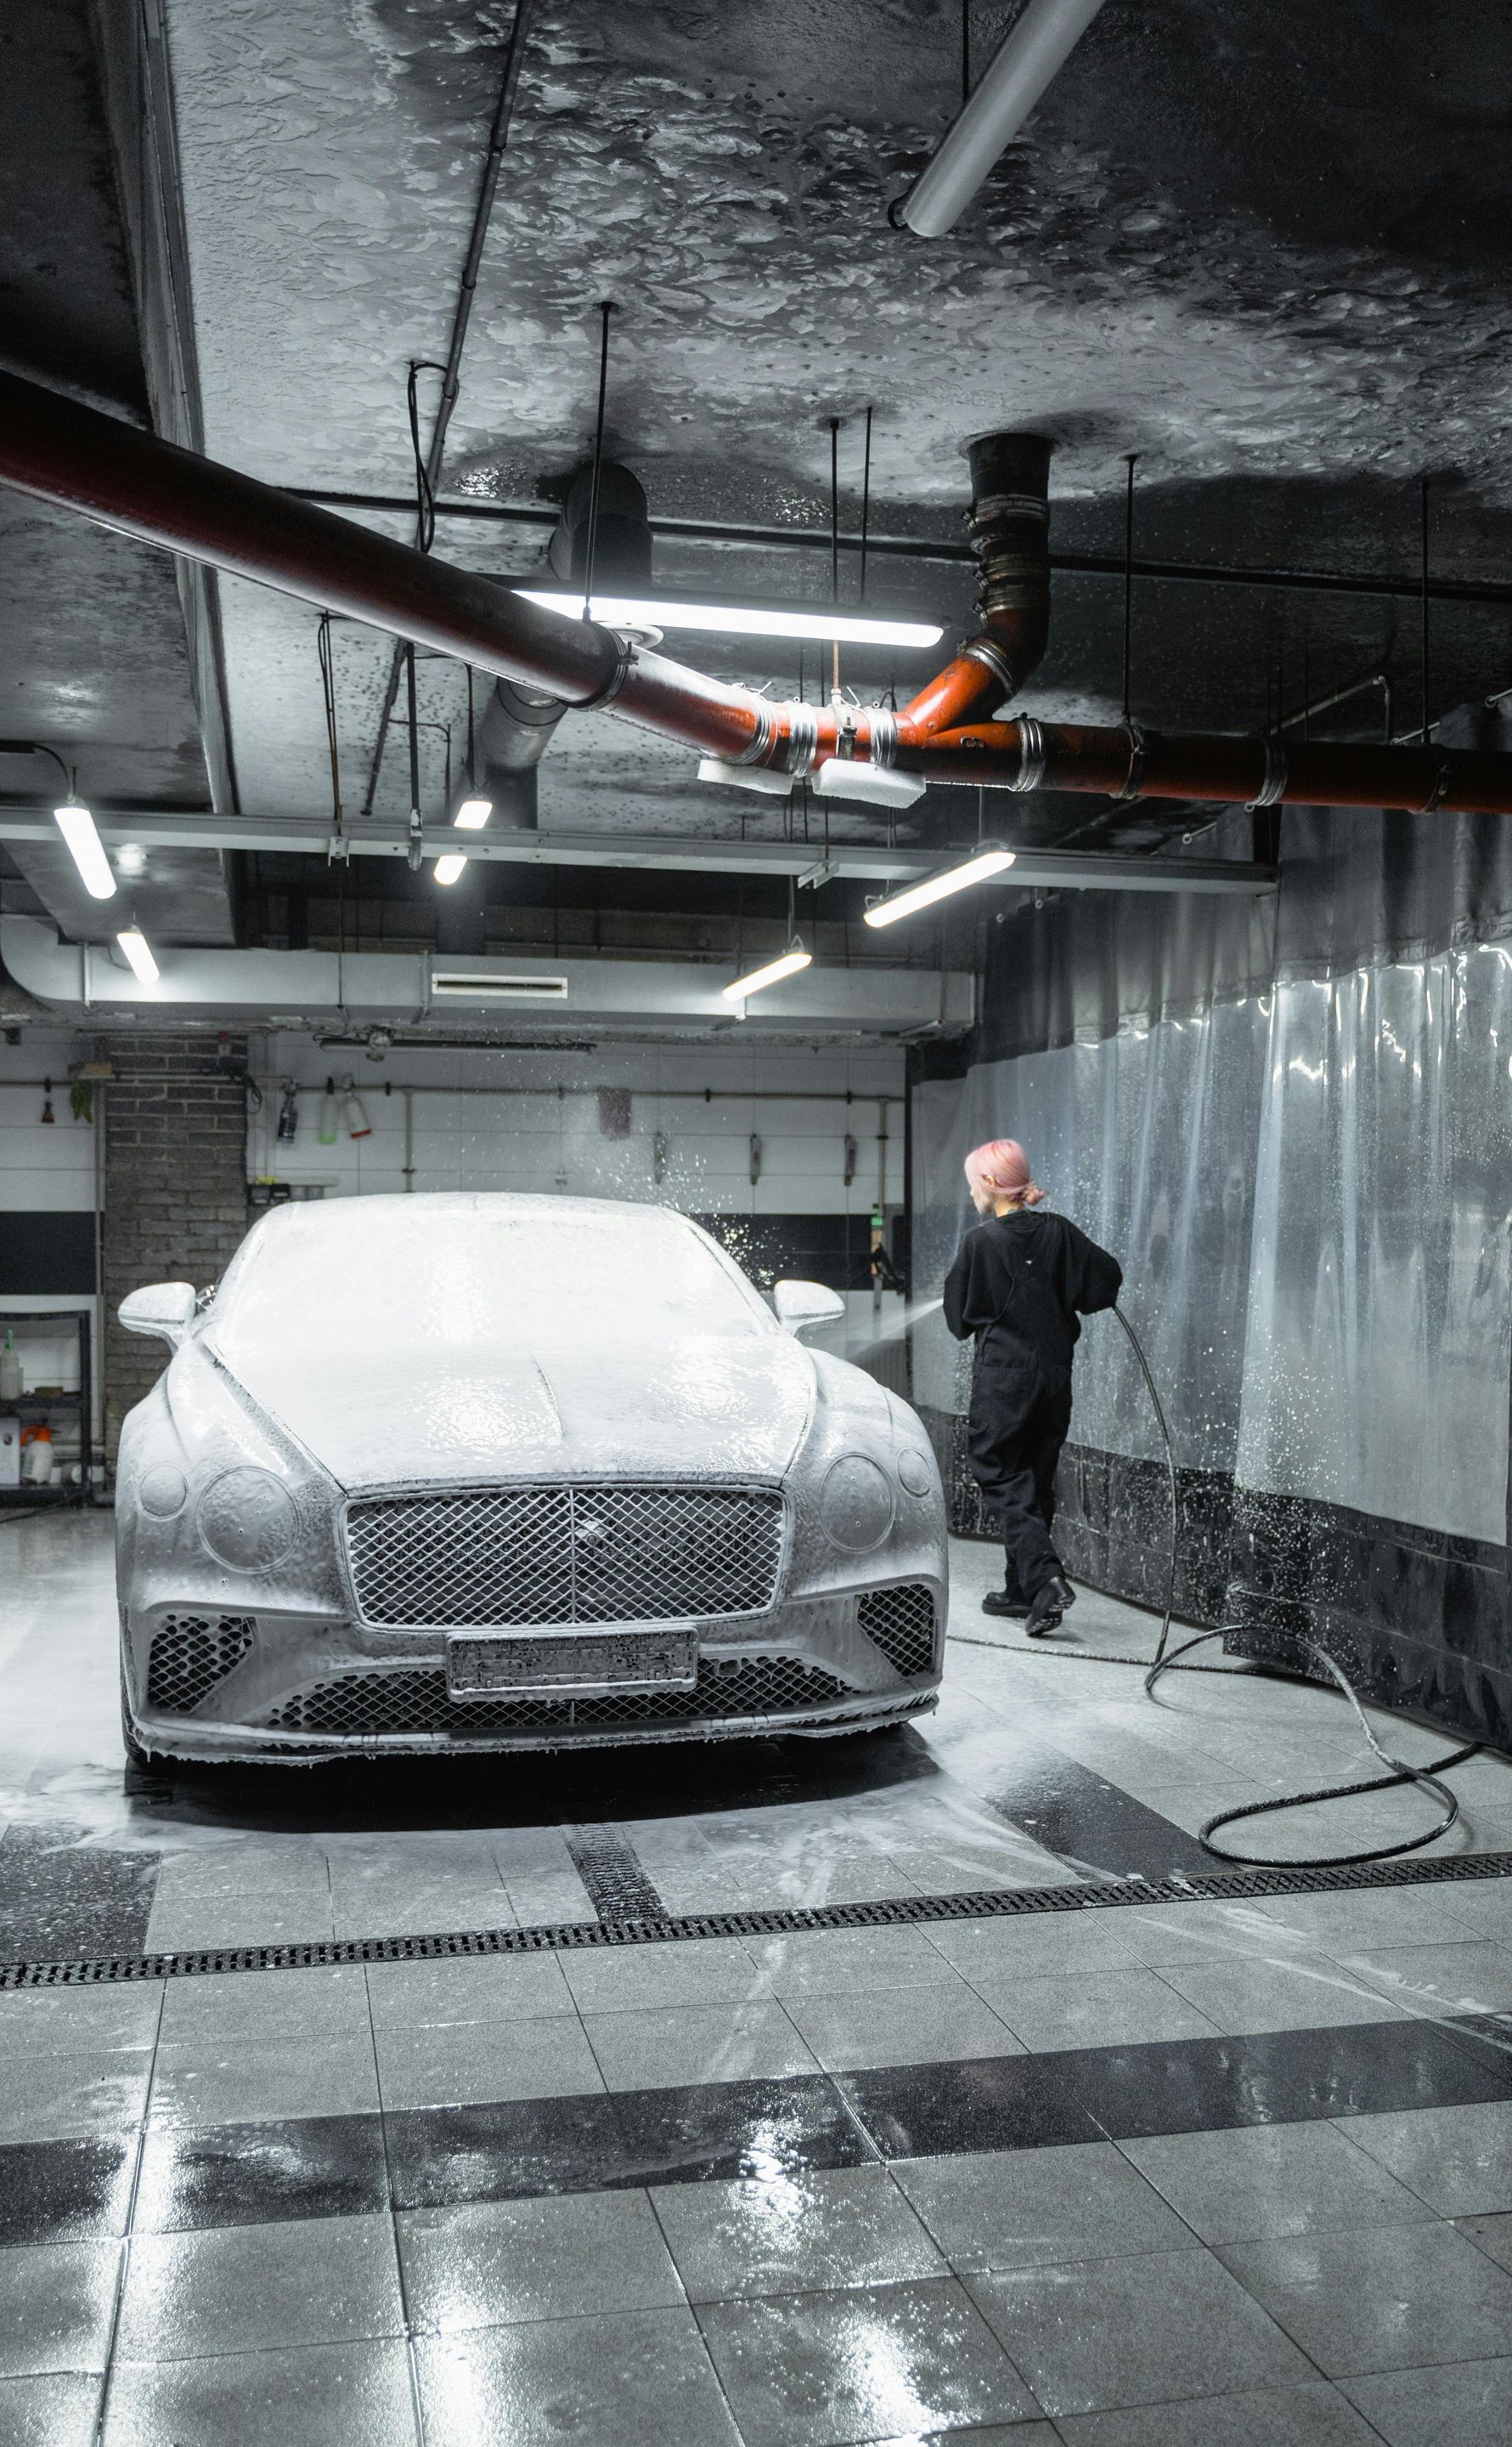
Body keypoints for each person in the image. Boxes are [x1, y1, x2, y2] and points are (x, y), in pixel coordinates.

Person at [944, 1137, 1122, 1635]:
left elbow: (957, 1321)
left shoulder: (980, 1243)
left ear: (988, 1184)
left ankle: (1045, 1580)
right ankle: (1021, 1590)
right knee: (1034, 1478)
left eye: (971, 1184)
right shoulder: (1060, 1233)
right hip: (1054, 1377)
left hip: (1005, 1379)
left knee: (999, 1472)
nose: (971, 1193)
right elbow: (1106, 1281)